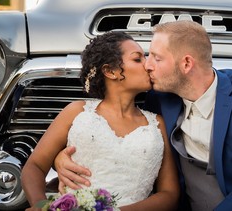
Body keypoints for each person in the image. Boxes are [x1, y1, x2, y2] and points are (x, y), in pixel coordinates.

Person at [53, 21, 232, 210]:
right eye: (144, 57)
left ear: (186, 63)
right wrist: (62, 157)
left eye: (155, 57)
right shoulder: (158, 99)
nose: (148, 66)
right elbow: (105, 116)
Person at [21, 31, 180, 211]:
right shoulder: (76, 113)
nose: (148, 65)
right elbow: (34, 166)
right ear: (110, 71)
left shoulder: (157, 125)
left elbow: (170, 194)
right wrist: (41, 206)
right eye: (138, 59)